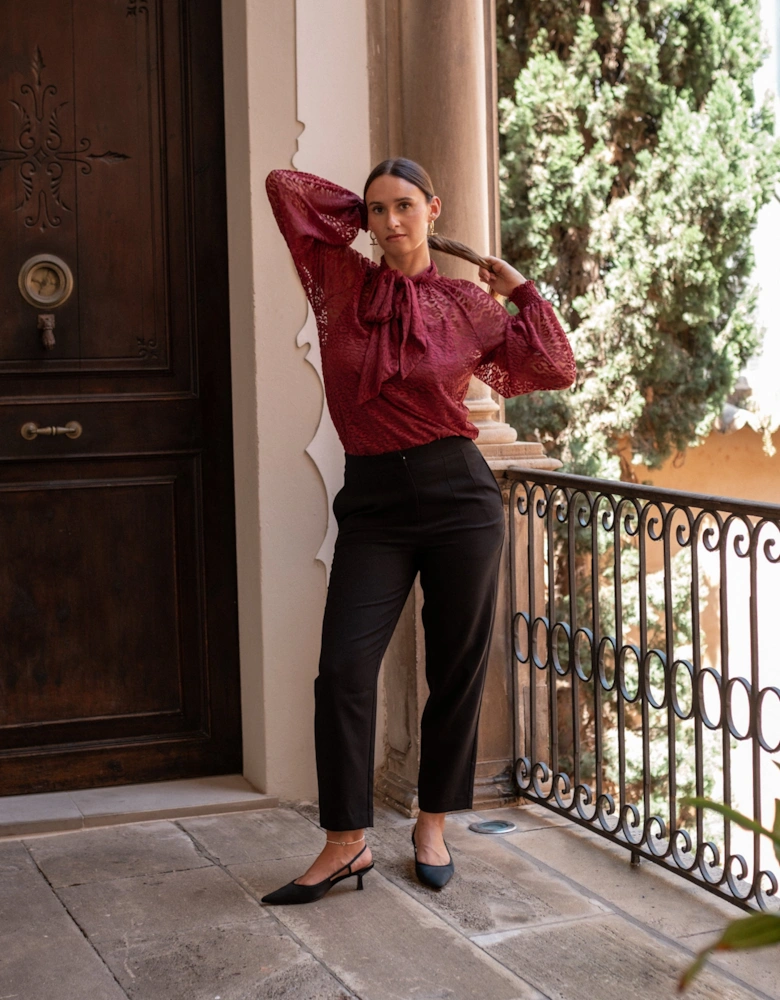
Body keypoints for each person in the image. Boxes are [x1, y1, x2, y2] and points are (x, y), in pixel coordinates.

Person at [261, 159, 575, 904]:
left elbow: (553, 367)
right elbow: (283, 186)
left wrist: (520, 291)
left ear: (434, 210)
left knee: (456, 668)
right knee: (342, 669)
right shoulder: (339, 282)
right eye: (377, 211)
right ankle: (345, 844)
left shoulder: (467, 305)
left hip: (459, 496)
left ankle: (432, 823)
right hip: (373, 501)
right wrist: (356, 208)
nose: (391, 222)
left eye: (406, 206)